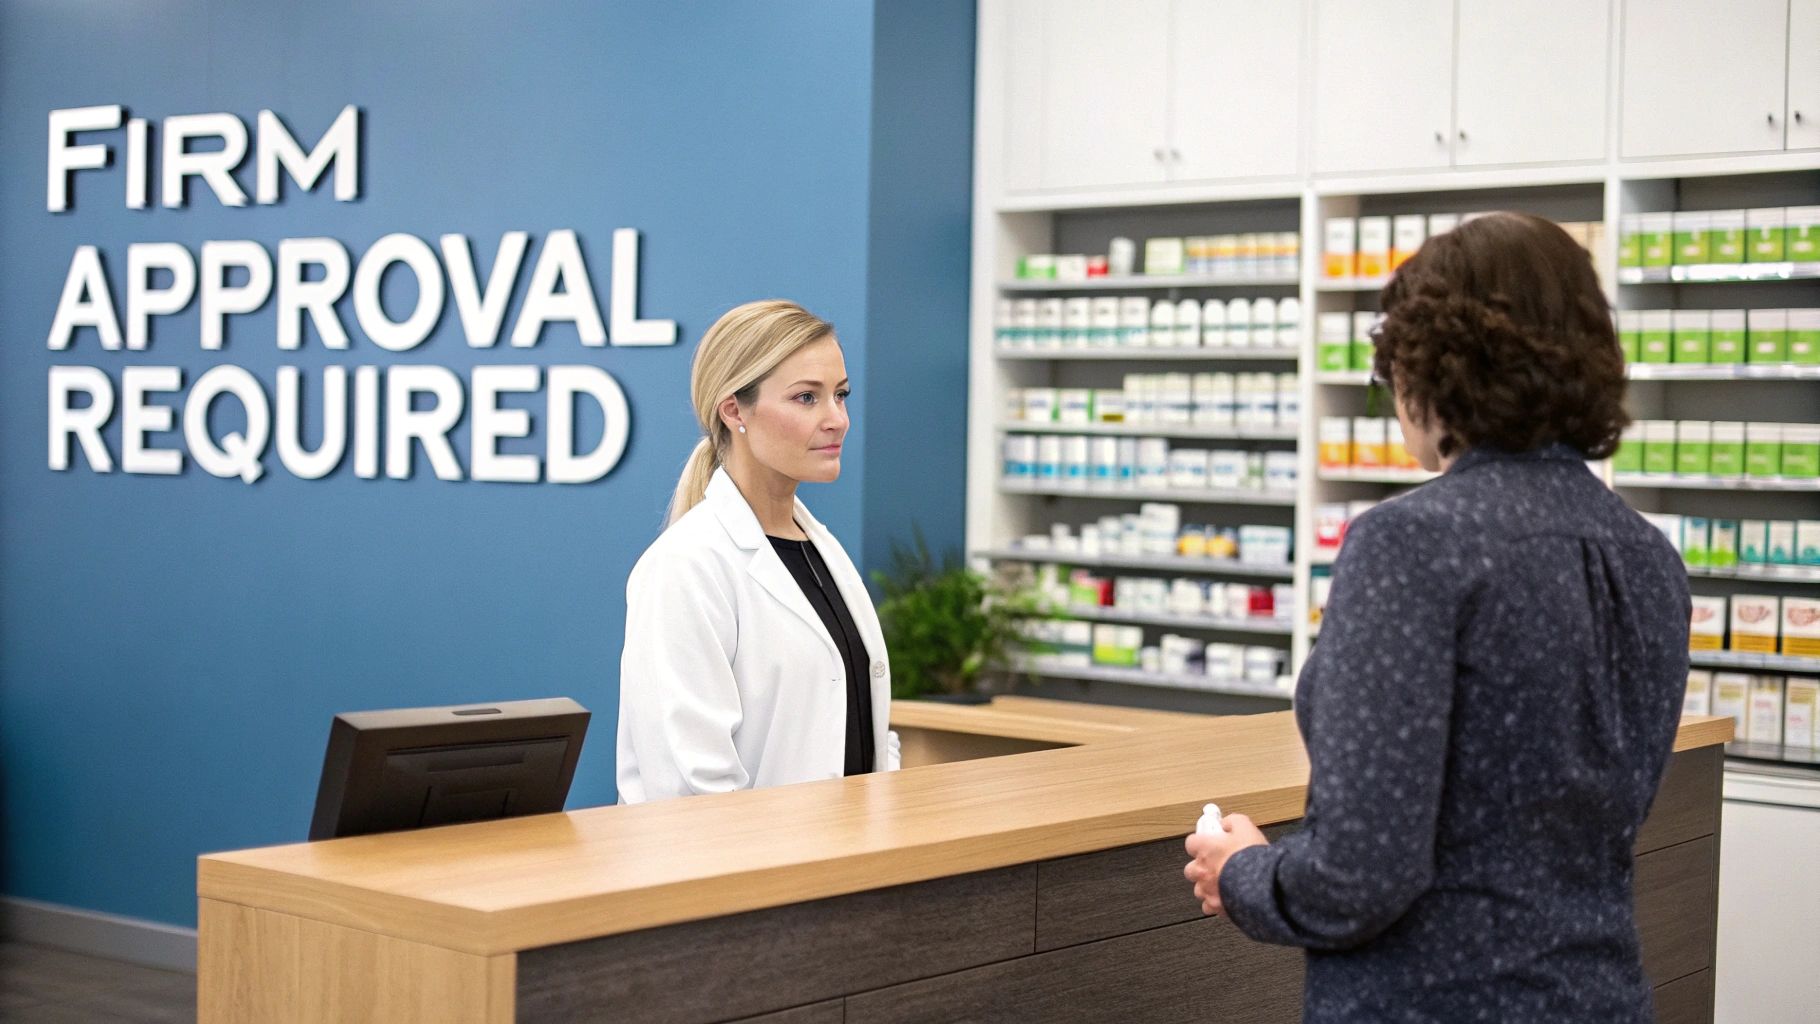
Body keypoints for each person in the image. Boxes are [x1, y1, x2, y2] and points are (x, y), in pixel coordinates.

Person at [1184, 213, 1691, 1022]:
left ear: (1428, 370)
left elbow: (1360, 878)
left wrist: (1243, 869)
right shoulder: (1648, 558)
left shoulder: (1411, 544)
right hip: (1602, 996)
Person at [617, 299, 897, 803]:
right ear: (734, 410)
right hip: (742, 871)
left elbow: (868, 732)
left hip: (848, 864)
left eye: (841, 395)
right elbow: (691, 784)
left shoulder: (821, 551)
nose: (838, 419)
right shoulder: (687, 566)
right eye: (806, 398)